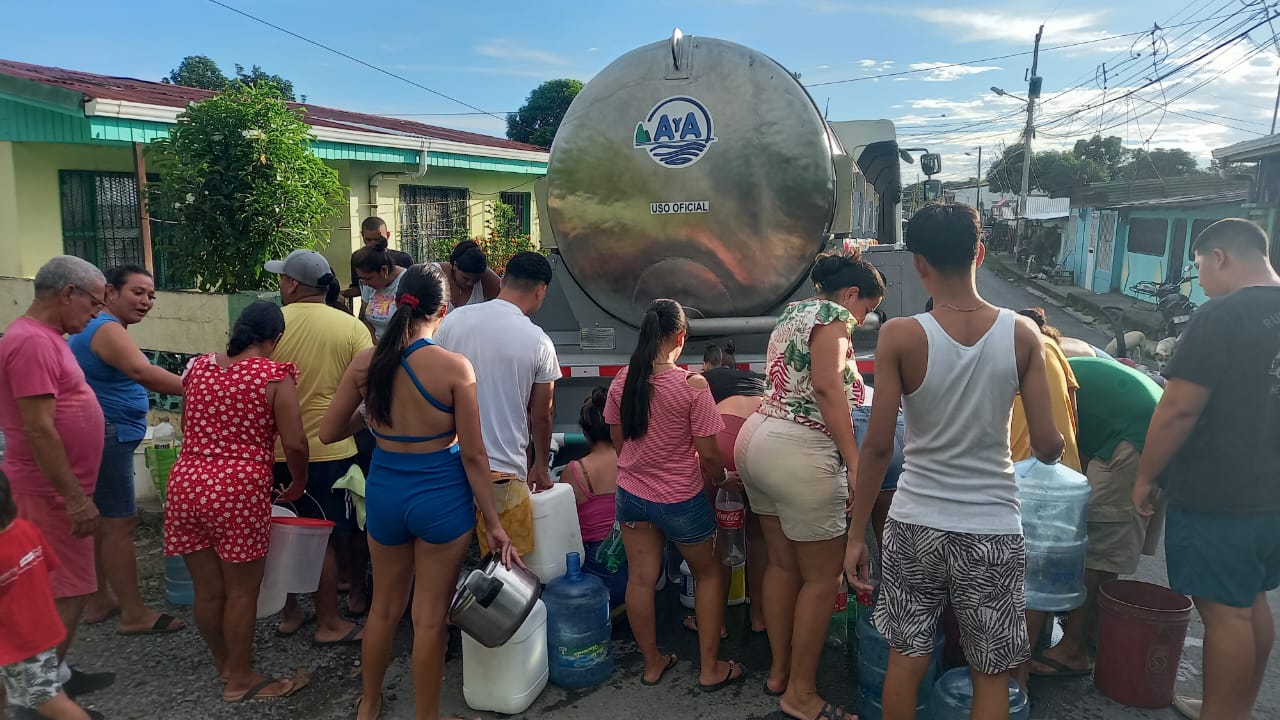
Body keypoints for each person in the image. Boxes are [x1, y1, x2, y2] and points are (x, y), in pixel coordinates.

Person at [846, 203, 1064, 720]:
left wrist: (856, 535)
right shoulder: (1023, 334)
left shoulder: (900, 334)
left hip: (915, 523)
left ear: (919, 263)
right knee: (990, 672)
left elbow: (877, 447)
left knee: (906, 659)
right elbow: (1048, 445)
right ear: (980, 254)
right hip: (992, 527)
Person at [319, 263, 517, 720]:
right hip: (441, 500)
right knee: (428, 620)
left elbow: (329, 432)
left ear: (396, 302)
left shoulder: (367, 363)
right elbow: (474, 455)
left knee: (383, 611)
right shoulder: (454, 368)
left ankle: (369, 703)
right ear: (442, 311)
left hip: (386, 494)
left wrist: (370, 414)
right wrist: (494, 523)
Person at [1133, 218, 1280, 720]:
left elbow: (1178, 408)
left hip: (1221, 491)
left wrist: (1146, 476)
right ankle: (1234, 707)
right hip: (1272, 495)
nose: (1200, 280)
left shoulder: (1222, 315)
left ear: (1219, 257)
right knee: (1250, 600)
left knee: (1224, 611)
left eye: (1199, 268)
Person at [735, 250, 884, 719]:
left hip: (758, 438)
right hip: (799, 448)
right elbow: (826, 387)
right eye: (866, 310)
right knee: (823, 577)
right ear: (851, 295)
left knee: (782, 565)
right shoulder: (833, 318)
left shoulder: (794, 312)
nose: (861, 320)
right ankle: (800, 694)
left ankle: (780, 672)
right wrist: (855, 463)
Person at [163, 301, 309, 702]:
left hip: (186, 484)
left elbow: (187, 423)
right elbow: (295, 442)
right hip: (238, 491)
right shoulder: (274, 376)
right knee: (243, 592)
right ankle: (241, 681)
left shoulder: (197, 368)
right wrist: (298, 482)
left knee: (208, 591)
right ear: (275, 338)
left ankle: (226, 665)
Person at [605, 298, 744, 691]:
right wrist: (721, 480)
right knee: (708, 574)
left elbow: (618, 441)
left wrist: (640, 466)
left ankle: (652, 663)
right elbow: (709, 454)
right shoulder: (692, 386)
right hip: (681, 499)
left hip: (632, 494)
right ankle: (710, 668)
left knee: (641, 579)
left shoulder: (622, 380)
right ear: (680, 337)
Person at [0, 255, 115, 699]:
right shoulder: (32, 342)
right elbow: (38, 428)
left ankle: (55, 677)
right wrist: (75, 498)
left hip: (55, 489)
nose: (95, 315)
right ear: (68, 293)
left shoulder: (45, 338)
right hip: (48, 492)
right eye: (94, 304)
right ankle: (39, 697)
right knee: (65, 589)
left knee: (63, 587)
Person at [67, 265, 186, 636]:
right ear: (110, 292)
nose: (146, 301)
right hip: (108, 433)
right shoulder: (106, 328)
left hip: (98, 432)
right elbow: (142, 373)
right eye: (138, 292)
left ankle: (98, 599)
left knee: (100, 520)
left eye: (151, 295)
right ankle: (133, 613)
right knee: (119, 524)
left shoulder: (96, 327)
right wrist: (205, 386)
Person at [263, 250, 372, 644]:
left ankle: (290, 612)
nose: (280, 284)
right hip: (334, 451)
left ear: (293, 284)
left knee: (281, 532)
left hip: (276, 451)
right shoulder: (351, 328)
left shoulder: (271, 327)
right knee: (331, 535)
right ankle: (338, 612)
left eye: (282, 278)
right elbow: (369, 392)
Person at [1030, 356, 1163, 679]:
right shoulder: (1047, 358)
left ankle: (1072, 650)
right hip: (1143, 427)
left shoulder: (1030, 376)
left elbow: (1050, 453)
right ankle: (1091, 630)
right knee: (1101, 543)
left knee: (1096, 549)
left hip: (1134, 437)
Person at [434, 251, 559, 557]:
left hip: (451, 464)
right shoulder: (539, 341)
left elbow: (432, 381)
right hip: (503, 474)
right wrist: (540, 466)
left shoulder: (454, 320)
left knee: (446, 563)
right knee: (507, 567)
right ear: (541, 291)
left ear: (502, 281)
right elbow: (542, 415)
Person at [697, 341, 767, 634]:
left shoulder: (703, 380)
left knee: (721, 536)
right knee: (759, 537)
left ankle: (718, 624)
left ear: (707, 365)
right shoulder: (756, 379)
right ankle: (759, 617)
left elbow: (696, 434)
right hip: (765, 436)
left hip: (726, 438)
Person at [565, 388, 627, 608]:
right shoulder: (631, 461)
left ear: (585, 431)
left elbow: (566, 529)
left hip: (600, 570)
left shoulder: (575, 471)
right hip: (642, 560)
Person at [343, 217, 413, 301]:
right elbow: (359, 288)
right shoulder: (357, 258)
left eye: (377, 239)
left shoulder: (403, 259)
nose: (372, 243)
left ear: (387, 235)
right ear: (362, 236)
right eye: (368, 240)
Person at [353, 238, 408, 343]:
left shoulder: (406, 282)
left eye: (369, 278)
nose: (366, 283)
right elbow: (366, 319)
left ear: (384, 270)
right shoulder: (368, 284)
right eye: (362, 279)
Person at [434, 240, 501, 311]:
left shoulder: (486, 277)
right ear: (455, 265)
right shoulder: (434, 274)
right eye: (465, 278)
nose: (470, 283)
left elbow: (506, 297)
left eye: (476, 280)